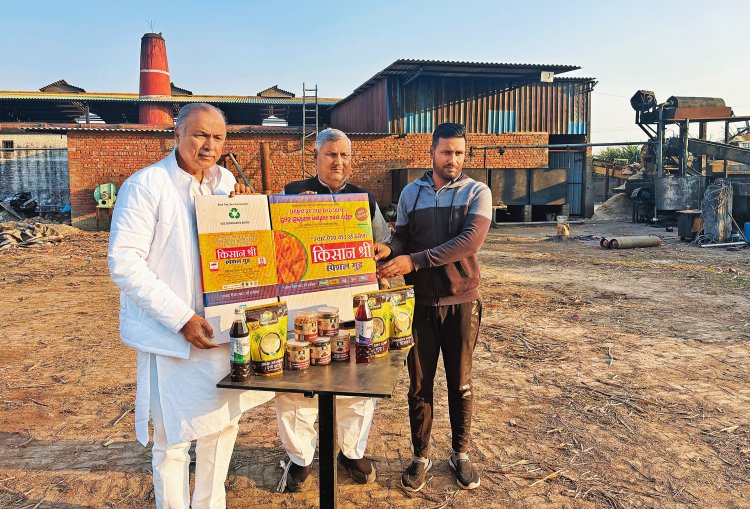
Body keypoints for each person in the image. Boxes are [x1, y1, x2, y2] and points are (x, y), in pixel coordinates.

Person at [108, 103, 272, 509]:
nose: (209, 145)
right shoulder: (146, 186)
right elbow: (125, 263)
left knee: (222, 427)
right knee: (173, 441)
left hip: (223, 329)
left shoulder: (225, 181)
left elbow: (241, 247)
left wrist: (247, 211)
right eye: (200, 135)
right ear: (177, 134)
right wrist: (181, 318)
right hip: (174, 336)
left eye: (218, 137)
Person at [374, 123, 492, 492]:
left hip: (462, 302)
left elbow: (469, 242)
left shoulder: (477, 192)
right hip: (420, 304)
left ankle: (461, 453)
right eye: (446, 152)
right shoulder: (411, 193)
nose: (453, 159)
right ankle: (420, 456)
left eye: (459, 153)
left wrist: (414, 261)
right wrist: (389, 250)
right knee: (419, 385)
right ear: (432, 153)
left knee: (460, 382)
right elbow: (403, 237)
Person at [275, 128, 391, 492]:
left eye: (344, 155)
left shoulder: (364, 198)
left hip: (351, 306)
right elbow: (274, 239)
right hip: (304, 311)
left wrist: (383, 250)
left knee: (358, 381)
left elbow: (384, 241)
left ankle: (351, 451)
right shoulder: (292, 193)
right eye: (330, 154)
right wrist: (292, 211)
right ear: (315, 157)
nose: (338, 162)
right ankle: (300, 458)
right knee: (296, 386)